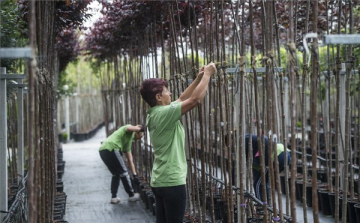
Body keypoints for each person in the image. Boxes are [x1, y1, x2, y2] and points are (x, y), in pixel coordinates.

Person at [140, 62, 217, 223]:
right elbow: (194, 100)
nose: (170, 93)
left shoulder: (155, 113)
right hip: (172, 182)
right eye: (167, 91)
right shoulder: (164, 114)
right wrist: (208, 75)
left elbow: (183, 98)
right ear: (158, 97)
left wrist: (198, 79)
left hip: (160, 180)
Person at [99, 124, 144, 204]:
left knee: (116, 174)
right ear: (137, 132)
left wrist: (134, 174)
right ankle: (131, 195)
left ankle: (114, 197)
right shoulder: (128, 130)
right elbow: (129, 128)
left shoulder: (129, 141)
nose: (141, 137)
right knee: (124, 172)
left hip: (103, 150)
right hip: (112, 148)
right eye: (141, 134)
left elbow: (130, 160)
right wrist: (138, 128)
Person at [245, 134, 290, 201]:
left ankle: (260, 206)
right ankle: (266, 204)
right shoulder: (248, 139)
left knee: (257, 184)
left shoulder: (245, 142)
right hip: (284, 152)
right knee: (263, 182)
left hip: (277, 155)